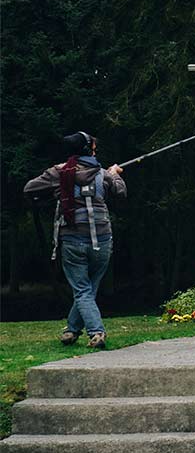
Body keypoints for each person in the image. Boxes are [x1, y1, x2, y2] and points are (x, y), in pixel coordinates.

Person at [24, 132, 126, 349]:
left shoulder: (59, 172)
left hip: (72, 240)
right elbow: (120, 192)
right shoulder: (103, 174)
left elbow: (29, 188)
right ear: (89, 149)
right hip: (103, 239)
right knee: (88, 288)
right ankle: (71, 330)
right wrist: (114, 173)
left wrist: (56, 185)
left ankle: (96, 332)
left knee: (82, 289)